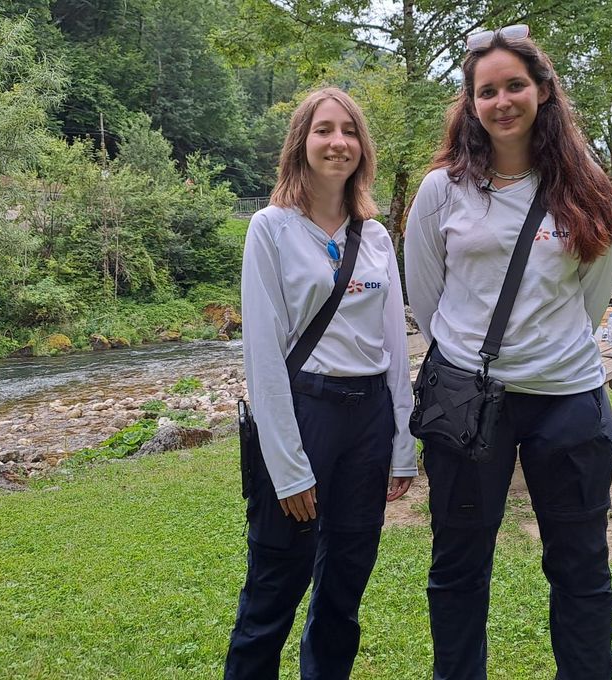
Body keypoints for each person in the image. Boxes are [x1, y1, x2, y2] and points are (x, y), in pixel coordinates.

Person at [404, 25, 612, 680]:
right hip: (468, 402)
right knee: (458, 564)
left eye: (514, 85)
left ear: (542, 92)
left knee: (581, 565)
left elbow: (591, 300)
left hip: (568, 400)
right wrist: (481, 350)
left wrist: (546, 352)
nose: (501, 100)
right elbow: (428, 296)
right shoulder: (442, 191)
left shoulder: (586, 186)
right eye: (486, 90)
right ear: (470, 103)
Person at [224, 87, 417, 680]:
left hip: (368, 422)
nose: (338, 142)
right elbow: (262, 354)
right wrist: (287, 466)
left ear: (363, 147)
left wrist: (402, 446)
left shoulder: (378, 237)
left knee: (343, 591)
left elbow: (394, 351)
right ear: (300, 144)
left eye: (350, 131)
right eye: (324, 130)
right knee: (275, 586)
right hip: (304, 413)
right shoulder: (272, 229)